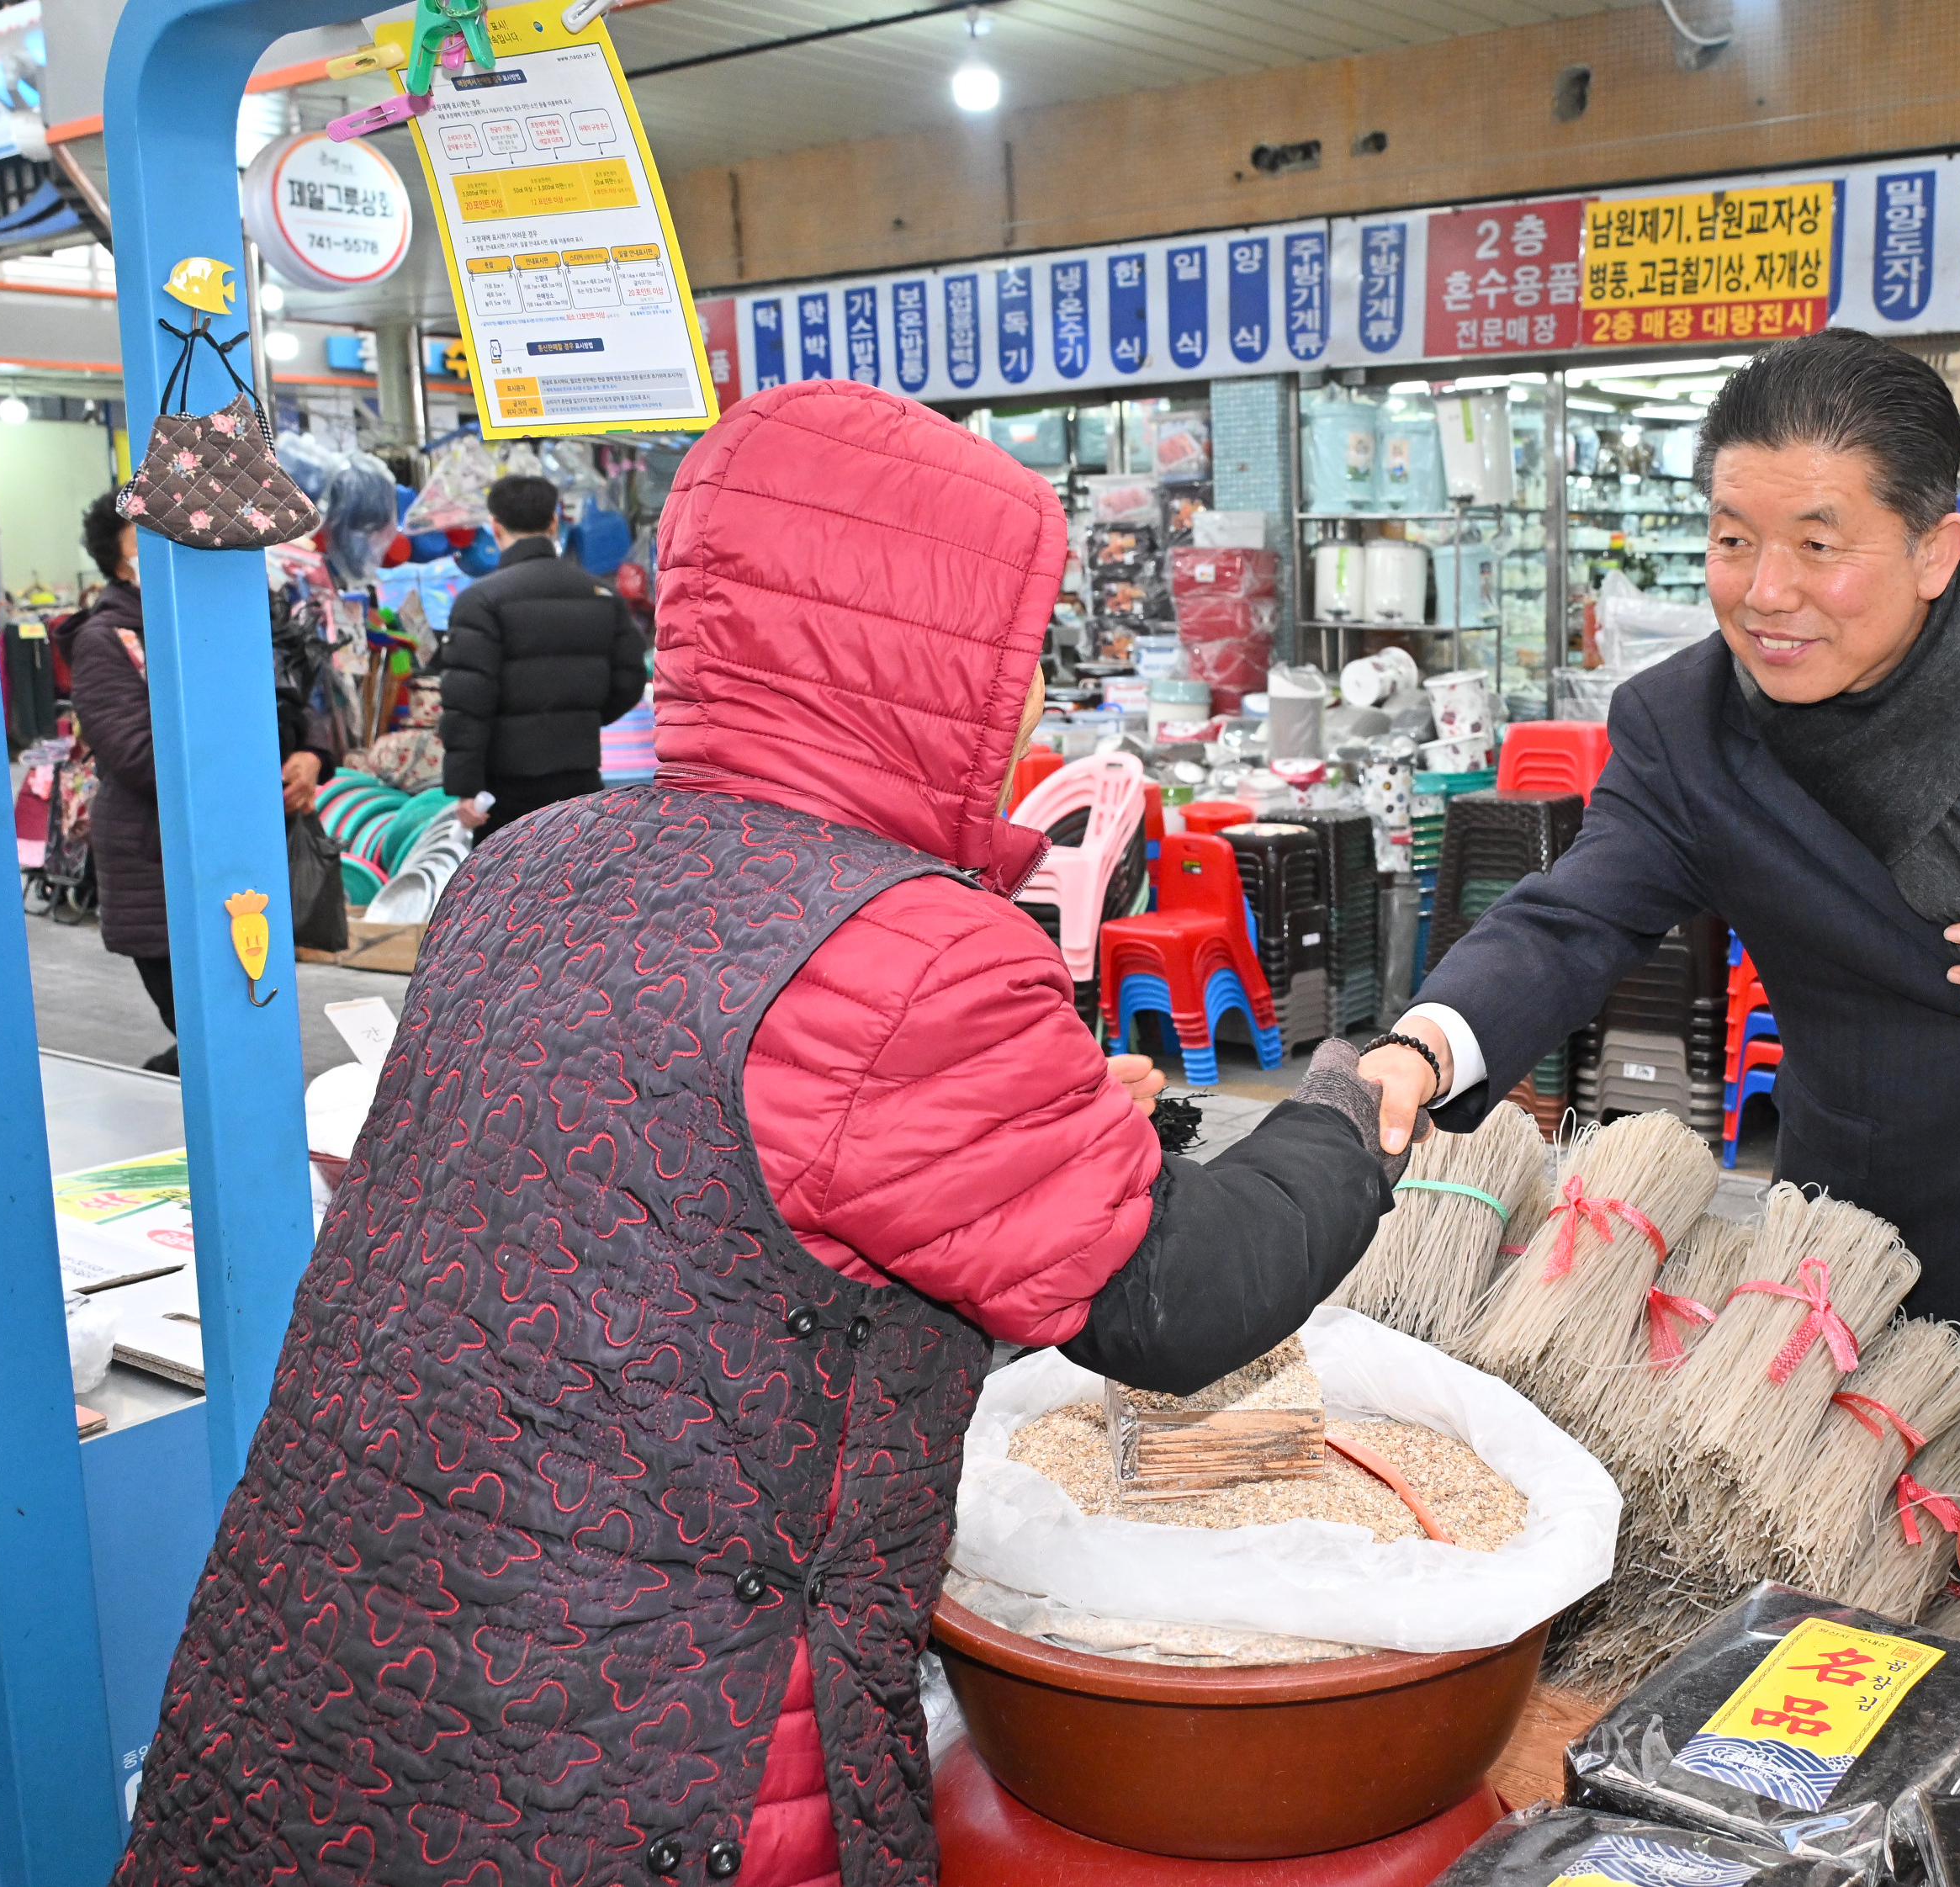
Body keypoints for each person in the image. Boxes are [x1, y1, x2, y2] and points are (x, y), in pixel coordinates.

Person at [111, 382, 1403, 1887]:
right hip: (634, 1762)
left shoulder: (535, 863)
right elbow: (1183, 1298)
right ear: (946, 658)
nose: (1034, 698)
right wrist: (1346, 1111)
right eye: (1018, 647)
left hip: (316, 1698)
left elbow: (701, 1238)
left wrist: (1031, 1146)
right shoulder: (910, 950)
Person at [1362, 331, 1960, 1455]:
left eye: (1816, 544)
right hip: (1915, 1218)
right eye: (1732, 540)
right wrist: (1423, 1046)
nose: (1765, 593)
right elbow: (1571, 913)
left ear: (1933, 549)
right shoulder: (1688, 730)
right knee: (1910, 1570)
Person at [59, 490, 336, 1075]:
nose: (166, 556)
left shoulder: (227, 618)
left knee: (245, 1011)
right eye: (145, 545)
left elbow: (295, 702)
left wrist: (311, 754)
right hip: (160, 863)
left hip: (244, 854)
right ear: (116, 562)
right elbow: (139, 755)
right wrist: (257, 761)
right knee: (208, 1025)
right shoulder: (108, 639)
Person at [437, 471, 649, 838]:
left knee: (505, 887)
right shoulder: (600, 594)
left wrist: (466, 787)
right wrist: (580, 719)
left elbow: (468, 701)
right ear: (554, 522)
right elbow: (630, 680)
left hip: (504, 785)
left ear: (494, 526)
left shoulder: (481, 600)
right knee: (574, 882)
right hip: (579, 774)